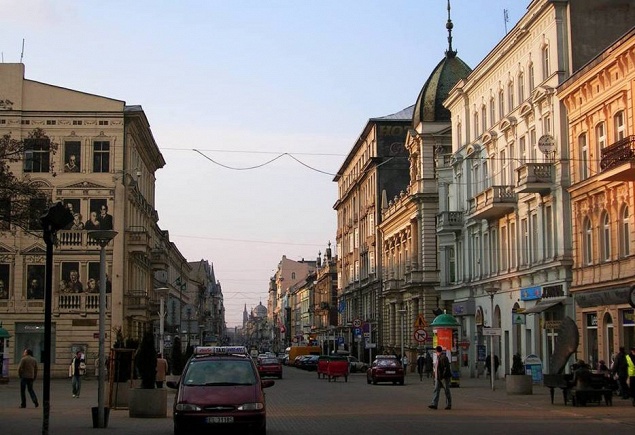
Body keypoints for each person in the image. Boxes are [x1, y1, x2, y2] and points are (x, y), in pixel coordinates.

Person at [429, 346, 452, 410]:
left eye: (435, 351)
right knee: (436, 390)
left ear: (437, 351)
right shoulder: (438, 357)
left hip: (443, 378)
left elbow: (446, 368)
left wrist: (443, 376)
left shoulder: (443, 358)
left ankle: (449, 404)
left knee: (446, 390)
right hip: (438, 377)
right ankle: (434, 404)